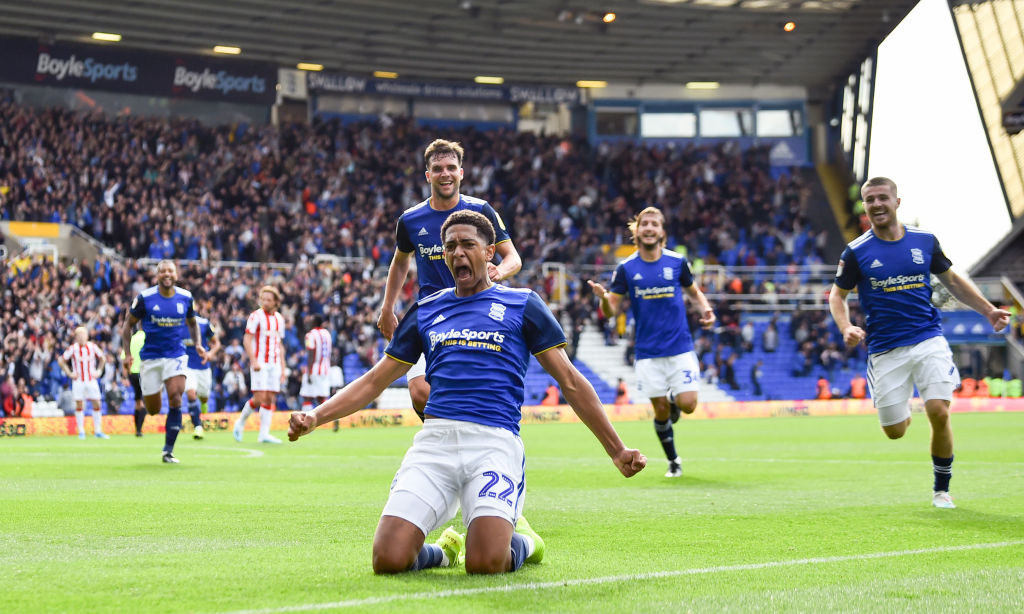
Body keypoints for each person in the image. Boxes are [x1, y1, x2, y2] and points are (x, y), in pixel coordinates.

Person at [289, 210, 646, 575]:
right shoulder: (427, 309)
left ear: (490, 252)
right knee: (388, 559)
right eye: (450, 247)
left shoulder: (523, 304)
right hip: (435, 443)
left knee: (486, 563)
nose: (458, 253)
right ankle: (443, 553)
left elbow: (570, 380)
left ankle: (526, 541)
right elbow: (374, 381)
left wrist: (616, 450)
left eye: (468, 245)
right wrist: (316, 416)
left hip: (493, 443)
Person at [828, 177, 1010, 509]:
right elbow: (836, 296)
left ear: (898, 202)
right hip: (885, 349)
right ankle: (903, 408)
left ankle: (942, 489)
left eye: (883, 197)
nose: (877, 204)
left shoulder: (925, 242)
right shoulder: (856, 252)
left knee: (939, 411)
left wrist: (988, 310)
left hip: (928, 338)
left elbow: (952, 279)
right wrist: (846, 327)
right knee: (895, 431)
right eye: (870, 200)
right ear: (865, 207)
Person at [377, 139, 522, 419]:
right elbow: (400, 261)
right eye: (438, 168)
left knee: (466, 389)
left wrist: (498, 271)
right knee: (420, 393)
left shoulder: (481, 212)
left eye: (451, 167)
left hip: (475, 312)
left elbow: (513, 258)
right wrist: (387, 307)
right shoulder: (411, 219)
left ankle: (459, 432)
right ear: (428, 175)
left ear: (461, 173)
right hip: (432, 312)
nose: (446, 174)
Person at [588, 207, 715, 478]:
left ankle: (673, 399)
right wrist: (603, 299)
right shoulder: (626, 269)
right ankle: (674, 461)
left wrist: (705, 308)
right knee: (659, 412)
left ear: (661, 232)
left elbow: (694, 291)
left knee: (688, 404)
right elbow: (611, 310)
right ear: (638, 231)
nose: (649, 228)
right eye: (644, 223)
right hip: (646, 352)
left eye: (654, 224)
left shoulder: (677, 262)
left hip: (679, 346)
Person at [121, 260, 205, 463]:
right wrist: (127, 354)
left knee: (176, 396)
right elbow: (127, 326)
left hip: (175, 355)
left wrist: (198, 344)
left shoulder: (186, 297)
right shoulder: (145, 298)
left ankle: (168, 450)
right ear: (157, 275)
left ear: (176, 275)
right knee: (153, 409)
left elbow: (192, 323)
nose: (167, 274)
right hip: (150, 357)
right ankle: (154, 393)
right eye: (163, 271)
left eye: (170, 271)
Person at [234, 285, 286, 444]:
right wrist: (253, 360)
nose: (265, 302)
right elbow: (247, 339)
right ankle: (240, 422)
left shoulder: (279, 319)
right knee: (259, 397)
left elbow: (280, 344)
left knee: (270, 398)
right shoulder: (255, 316)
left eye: (269, 300)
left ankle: (264, 434)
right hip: (260, 362)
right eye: (263, 299)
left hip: (274, 362)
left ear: (276, 301)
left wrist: (283, 368)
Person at [58, 326, 109, 439]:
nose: (81, 337)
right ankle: (81, 431)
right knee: (79, 405)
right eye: (79, 335)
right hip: (78, 381)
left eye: (83, 335)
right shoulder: (73, 348)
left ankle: (98, 431)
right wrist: (69, 373)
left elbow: (103, 358)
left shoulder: (92, 346)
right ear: (76, 337)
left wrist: (99, 371)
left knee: (97, 403)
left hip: (91, 380)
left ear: (87, 336)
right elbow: (61, 360)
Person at [183, 314, 221, 439]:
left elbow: (217, 343)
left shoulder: (204, 324)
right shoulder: (175, 325)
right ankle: (198, 427)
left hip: (203, 367)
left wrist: (210, 354)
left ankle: (203, 402)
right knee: (191, 393)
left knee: (204, 397)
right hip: (186, 366)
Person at [300, 314, 332, 413]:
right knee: (321, 397)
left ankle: (305, 421)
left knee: (307, 397)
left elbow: (311, 354)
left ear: (314, 322)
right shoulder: (327, 333)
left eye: (311, 320)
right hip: (325, 369)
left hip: (314, 369)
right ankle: (331, 416)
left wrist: (309, 372)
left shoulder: (310, 335)